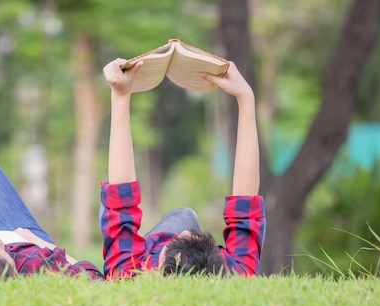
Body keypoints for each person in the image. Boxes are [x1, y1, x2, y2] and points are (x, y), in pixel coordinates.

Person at [99, 58, 266, 279]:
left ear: (156, 263)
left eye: (176, 239)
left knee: (183, 216)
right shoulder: (233, 273)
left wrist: (120, 95)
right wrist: (246, 98)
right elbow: (246, 200)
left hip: (147, 251)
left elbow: (120, 198)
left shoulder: (129, 270)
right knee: (185, 215)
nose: (185, 232)